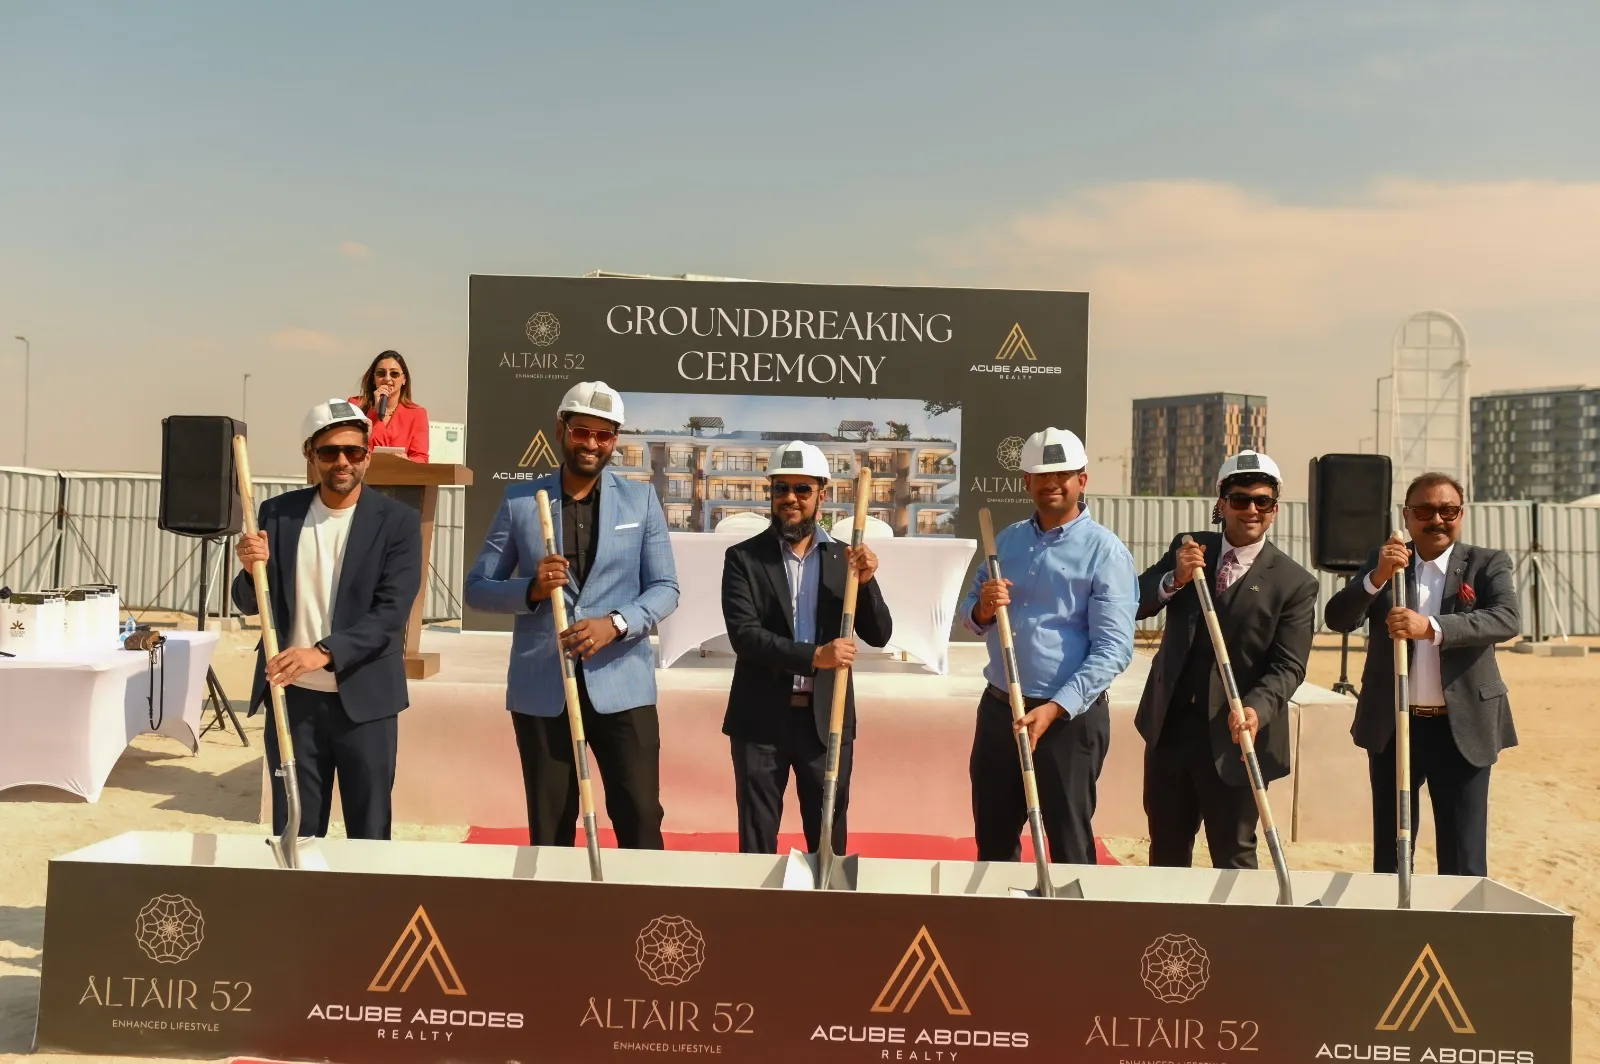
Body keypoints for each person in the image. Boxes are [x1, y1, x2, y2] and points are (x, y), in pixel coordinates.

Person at [464, 381, 679, 849]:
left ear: (615, 440)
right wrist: (532, 589)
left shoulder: (641, 501)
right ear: (561, 429)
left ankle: (643, 897)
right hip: (544, 689)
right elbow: (477, 588)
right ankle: (554, 899)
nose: (592, 444)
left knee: (641, 816)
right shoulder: (521, 502)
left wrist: (616, 624)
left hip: (622, 686)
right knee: (551, 824)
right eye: (582, 432)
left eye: (604, 435)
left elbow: (666, 588)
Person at [231, 398, 423, 840]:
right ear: (310, 455)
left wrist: (322, 653)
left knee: (369, 833)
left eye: (353, 451)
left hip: (367, 701)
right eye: (330, 452)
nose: (342, 462)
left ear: (367, 455)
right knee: (296, 830)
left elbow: (391, 614)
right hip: (294, 700)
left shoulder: (397, 522)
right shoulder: (277, 514)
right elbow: (247, 602)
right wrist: (248, 568)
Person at [1324, 471, 1519, 878]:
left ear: (1461, 514)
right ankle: (1395, 918)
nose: (1437, 519)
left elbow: (1506, 619)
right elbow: (1338, 618)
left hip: (1462, 726)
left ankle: (1460, 920)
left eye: (1448, 510)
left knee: (1464, 856)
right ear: (1407, 514)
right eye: (1425, 510)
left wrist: (1431, 627)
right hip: (1395, 726)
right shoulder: (1385, 563)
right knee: (1392, 852)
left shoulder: (1486, 563)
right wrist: (1376, 577)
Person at [960, 427, 1136, 865]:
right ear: (1026, 482)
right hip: (1001, 711)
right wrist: (983, 608)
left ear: (1082, 480)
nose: (1052, 484)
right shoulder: (1007, 541)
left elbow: (1114, 648)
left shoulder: (1105, 552)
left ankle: (1070, 912)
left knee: (1068, 841)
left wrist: (1057, 707)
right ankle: (1000, 910)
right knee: (994, 840)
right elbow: (970, 613)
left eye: (1062, 475)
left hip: (1068, 721)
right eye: (1042, 475)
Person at [1134, 450, 1318, 869]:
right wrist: (1174, 579)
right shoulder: (1188, 547)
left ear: (1274, 509)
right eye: (1240, 500)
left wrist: (1257, 708)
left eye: (1263, 501)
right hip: (1171, 730)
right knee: (1166, 849)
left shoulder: (1294, 584)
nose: (1251, 510)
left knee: (1233, 854)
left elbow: (1289, 666)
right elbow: (1135, 601)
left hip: (1237, 737)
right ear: (1222, 503)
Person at [719, 441, 894, 855]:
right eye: (781, 488)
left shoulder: (844, 559)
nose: (790, 499)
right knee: (757, 840)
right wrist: (815, 657)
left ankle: (825, 899)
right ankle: (758, 900)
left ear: (822, 494)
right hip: (761, 719)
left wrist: (867, 583)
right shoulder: (744, 558)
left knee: (828, 838)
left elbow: (880, 634)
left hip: (826, 719)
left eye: (802, 489)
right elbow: (745, 636)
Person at [350, 350, 429, 462]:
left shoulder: (417, 413)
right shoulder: (356, 405)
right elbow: (352, 445)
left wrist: (407, 461)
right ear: (373, 379)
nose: (387, 379)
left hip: (399, 472)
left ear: (404, 379)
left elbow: (421, 457)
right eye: (381, 373)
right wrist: (374, 413)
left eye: (394, 374)